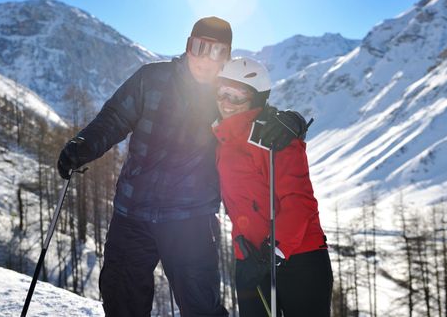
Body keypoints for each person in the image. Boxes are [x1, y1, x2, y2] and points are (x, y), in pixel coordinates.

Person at [56, 17, 308, 317]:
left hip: (191, 219)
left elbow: (264, 116)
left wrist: (292, 122)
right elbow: (114, 118)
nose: (205, 58)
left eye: (216, 52)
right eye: (199, 47)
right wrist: (84, 144)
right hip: (132, 214)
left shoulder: (226, 97)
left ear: (226, 56)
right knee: (121, 299)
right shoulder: (151, 78)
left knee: (201, 307)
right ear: (188, 46)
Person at [212, 57, 333, 317]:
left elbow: (299, 204)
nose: (226, 102)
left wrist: (270, 255)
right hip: (250, 258)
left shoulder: (275, 137)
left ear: (256, 99)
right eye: (222, 92)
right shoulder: (220, 137)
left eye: (237, 95)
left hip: (299, 259)